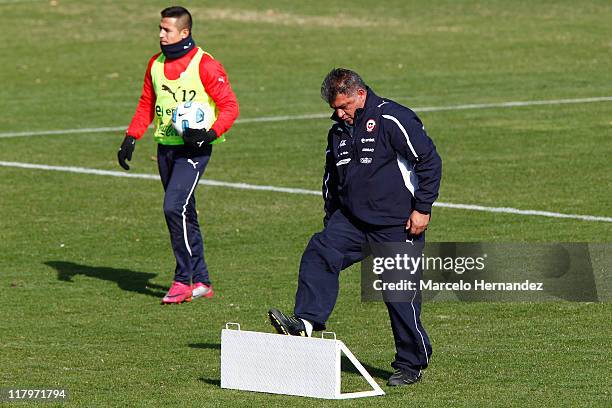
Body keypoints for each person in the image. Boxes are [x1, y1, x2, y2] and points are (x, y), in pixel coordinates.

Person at [268, 68, 442, 386]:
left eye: (344, 105)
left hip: (397, 224)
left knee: (399, 296)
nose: (340, 113)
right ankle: (306, 322)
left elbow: (428, 161)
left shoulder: (393, 118)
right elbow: (331, 180)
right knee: (319, 250)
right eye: (334, 108)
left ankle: (411, 362)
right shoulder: (337, 132)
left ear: (360, 94)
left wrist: (422, 209)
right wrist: (331, 218)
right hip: (351, 222)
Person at [117, 6, 239, 304]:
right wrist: (131, 137)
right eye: (160, 28)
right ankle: (202, 280)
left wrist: (209, 134)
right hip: (165, 149)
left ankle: (183, 280)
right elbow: (147, 102)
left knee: (173, 207)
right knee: (185, 213)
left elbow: (230, 107)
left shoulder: (205, 65)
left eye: (167, 29)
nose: (160, 34)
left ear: (184, 32)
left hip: (194, 151)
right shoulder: (155, 64)